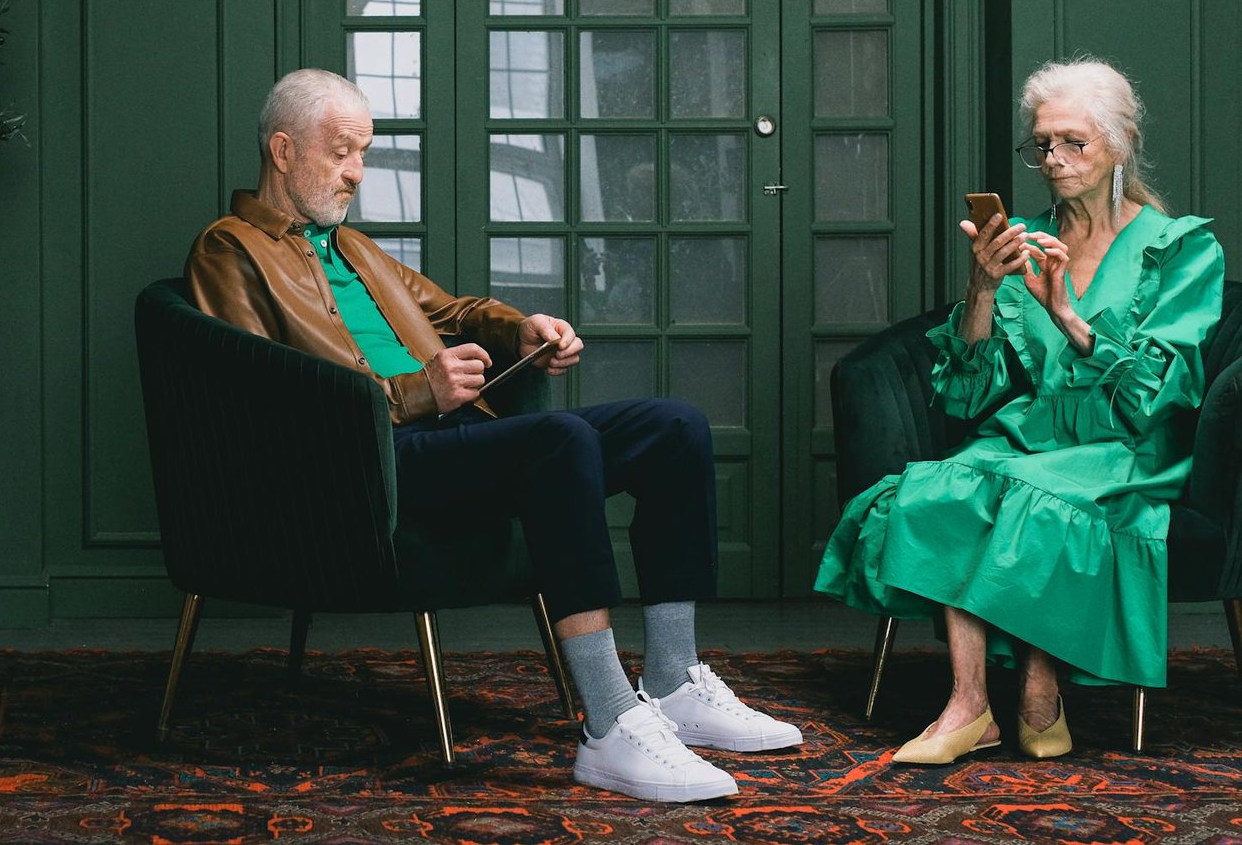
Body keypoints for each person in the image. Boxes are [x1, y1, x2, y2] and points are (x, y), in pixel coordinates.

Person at [186, 68, 801, 802]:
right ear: (283, 151)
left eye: (364, 153)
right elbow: (262, 395)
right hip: (366, 463)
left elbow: (452, 310)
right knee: (559, 440)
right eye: (340, 151)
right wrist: (417, 392)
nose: (357, 172)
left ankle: (673, 680)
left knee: (674, 427)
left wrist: (521, 330)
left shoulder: (350, 249)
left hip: (448, 439)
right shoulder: (229, 250)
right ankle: (610, 723)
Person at [815, 58, 1225, 763]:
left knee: (1030, 496)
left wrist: (1066, 315)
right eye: (1041, 144)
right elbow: (968, 394)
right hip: (1030, 432)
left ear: (1119, 144)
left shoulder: (1180, 247)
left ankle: (1039, 691)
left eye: (1073, 142)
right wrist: (981, 287)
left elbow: (1156, 395)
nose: (1053, 159)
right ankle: (970, 705)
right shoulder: (1025, 239)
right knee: (940, 487)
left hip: (1125, 446)